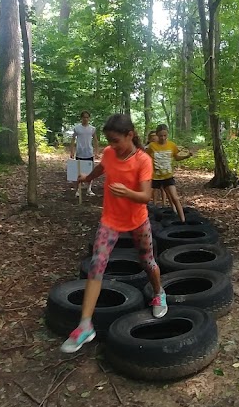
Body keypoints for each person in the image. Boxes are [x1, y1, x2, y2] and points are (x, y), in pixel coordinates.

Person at [64, 114, 167, 353]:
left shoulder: (143, 160)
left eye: (116, 140)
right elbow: (102, 167)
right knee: (96, 264)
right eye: (109, 141)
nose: (111, 145)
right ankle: (85, 325)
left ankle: (159, 293)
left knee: (147, 261)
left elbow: (145, 196)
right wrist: (87, 178)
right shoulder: (110, 153)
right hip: (110, 220)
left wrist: (126, 192)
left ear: (130, 135)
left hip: (137, 220)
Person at [147, 124, 192, 223]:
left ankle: (183, 220)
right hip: (155, 177)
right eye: (160, 136)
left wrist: (186, 156)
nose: (163, 138)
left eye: (165, 135)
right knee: (145, 198)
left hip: (167, 177)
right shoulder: (152, 146)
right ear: (157, 135)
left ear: (167, 134)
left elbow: (176, 157)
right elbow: (145, 157)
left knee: (175, 198)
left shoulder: (172, 145)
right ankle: (143, 220)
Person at [70, 110, 99, 196]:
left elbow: (95, 140)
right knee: (78, 172)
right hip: (80, 153)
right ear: (81, 118)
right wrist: (72, 151)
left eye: (87, 117)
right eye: (84, 117)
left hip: (89, 153)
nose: (85, 119)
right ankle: (78, 190)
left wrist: (96, 152)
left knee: (90, 172)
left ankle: (89, 189)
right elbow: (73, 140)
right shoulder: (77, 128)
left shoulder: (92, 129)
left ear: (89, 118)